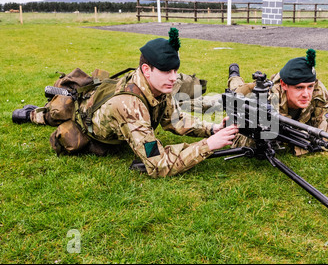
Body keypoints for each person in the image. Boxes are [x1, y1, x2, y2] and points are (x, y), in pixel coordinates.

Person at [12, 28, 238, 177]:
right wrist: (209, 145)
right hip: (86, 119)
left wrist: (212, 128)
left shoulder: (159, 86)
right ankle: (32, 114)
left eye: (175, 71)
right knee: (56, 115)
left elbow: (173, 119)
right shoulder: (129, 106)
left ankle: (39, 113)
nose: (173, 77)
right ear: (147, 70)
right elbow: (157, 163)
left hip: (103, 105)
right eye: (166, 71)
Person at [226, 49, 328, 156]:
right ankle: (234, 75)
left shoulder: (317, 89)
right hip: (247, 91)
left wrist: (305, 141)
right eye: (299, 88)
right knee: (236, 90)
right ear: (284, 85)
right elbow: (243, 141)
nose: (306, 94)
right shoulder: (270, 99)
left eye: (309, 86)